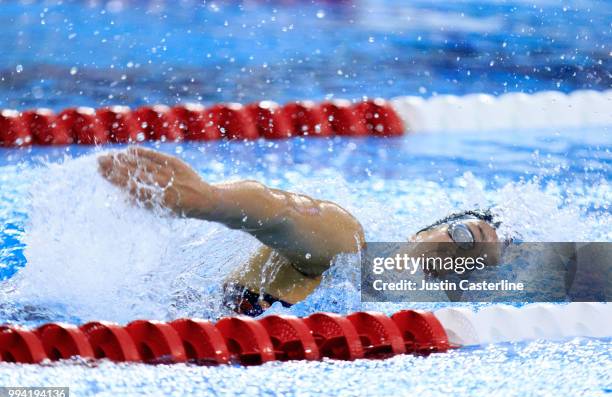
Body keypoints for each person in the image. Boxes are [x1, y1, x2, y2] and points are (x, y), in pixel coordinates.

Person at [97, 147, 501, 315]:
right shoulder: (353, 249)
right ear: (422, 231)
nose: (467, 256)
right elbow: (281, 211)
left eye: (481, 264)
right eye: (465, 236)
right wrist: (207, 200)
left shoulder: (395, 308)